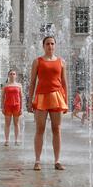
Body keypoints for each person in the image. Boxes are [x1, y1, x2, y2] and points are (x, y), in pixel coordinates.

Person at [27, 36, 68, 171]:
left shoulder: (61, 62)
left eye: (52, 43)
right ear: (43, 46)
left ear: (55, 45)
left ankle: (57, 160)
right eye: (47, 44)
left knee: (57, 129)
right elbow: (32, 82)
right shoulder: (37, 61)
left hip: (57, 96)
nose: (50, 46)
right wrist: (29, 99)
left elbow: (64, 83)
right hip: (41, 97)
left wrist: (66, 100)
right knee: (40, 129)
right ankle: (37, 160)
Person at [1, 70, 23, 146]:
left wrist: (22, 108)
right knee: (7, 123)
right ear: (8, 75)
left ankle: (16, 140)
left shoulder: (19, 85)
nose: (12, 75)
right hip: (7, 106)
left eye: (14, 74)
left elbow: (21, 97)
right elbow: (3, 97)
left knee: (16, 124)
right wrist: (2, 107)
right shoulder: (5, 85)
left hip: (17, 106)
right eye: (11, 74)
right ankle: (7, 140)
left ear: (16, 75)